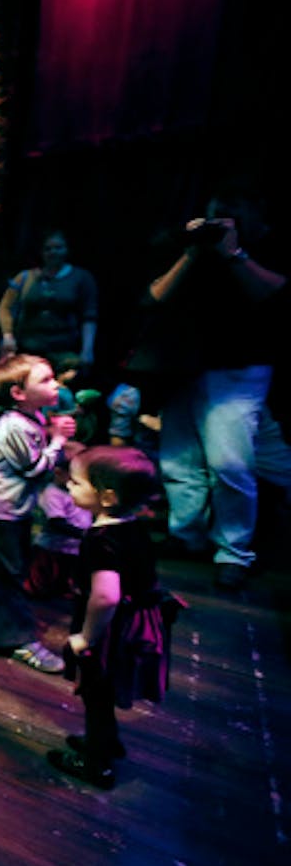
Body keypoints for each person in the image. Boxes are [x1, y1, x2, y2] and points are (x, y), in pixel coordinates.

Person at [140, 196, 284, 590]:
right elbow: (154, 296)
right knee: (178, 460)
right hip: (181, 366)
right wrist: (191, 252)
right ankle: (186, 535)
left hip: (239, 367)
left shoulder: (262, 245)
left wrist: (233, 253)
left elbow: (274, 294)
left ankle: (233, 551)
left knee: (230, 464)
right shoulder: (183, 250)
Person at [48, 446, 183, 788]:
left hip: (113, 631)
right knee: (101, 694)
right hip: (139, 620)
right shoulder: (132, 526)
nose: (68, 487)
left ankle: (97, 764)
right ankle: (107, 743)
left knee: (96, 693)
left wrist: (86, 638)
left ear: (106, 497)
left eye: (77, 483)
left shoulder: (100, 541)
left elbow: (106, 596)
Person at [0, 353, 77, 672]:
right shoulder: (13, 427)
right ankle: (16, 640)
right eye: (44, 380)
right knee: (10, 572)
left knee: (4, 566)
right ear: (18, 393)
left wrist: (54, 431)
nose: (54, 384)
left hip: (9, 506)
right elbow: (34, 469)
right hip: (0, 508)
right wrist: (57, 442)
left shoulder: (32, 417)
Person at [0, 229, 98, 370]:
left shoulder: (81, 278)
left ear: (67, 250)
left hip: (64, 350)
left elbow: (89, 317)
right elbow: (6, 307)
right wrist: (8, 335)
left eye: (58, 248)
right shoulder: (25, 277)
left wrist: (87, 350)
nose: (53, 252)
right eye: (48, 249)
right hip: (27, 349)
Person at [25, 442, 91, 600]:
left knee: (66, 574)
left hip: (72, 547)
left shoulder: (76, 491)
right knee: (44, 579)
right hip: (53, 548)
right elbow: (56, 523)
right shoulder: (52, 494)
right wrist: (84, 534)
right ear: (59, 472)